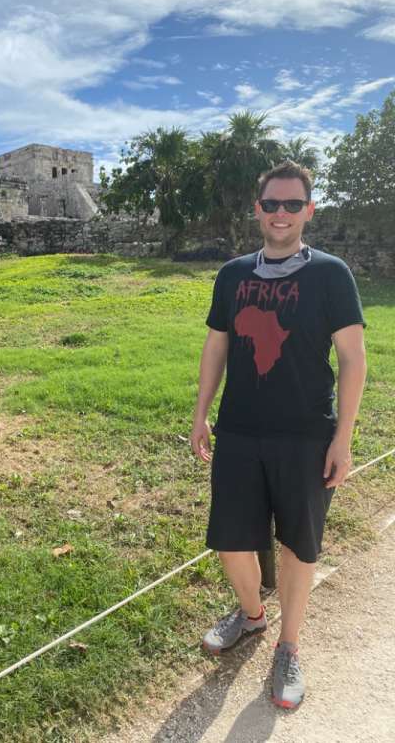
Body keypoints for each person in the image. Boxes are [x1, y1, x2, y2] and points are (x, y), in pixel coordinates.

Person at [191, 160, 367, 711]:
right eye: (273, 204)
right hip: (240, 430)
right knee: (231, 539)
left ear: (309, 211)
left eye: (293, 204)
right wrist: (201, 413)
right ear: (258, 210)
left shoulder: (331, 274)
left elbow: (352, 358)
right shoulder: (233, 275)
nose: (282, 214)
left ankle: (289, 646)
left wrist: (343, 437)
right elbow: (217, 346)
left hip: (306, 434)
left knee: (297, 543)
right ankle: (251, 616)